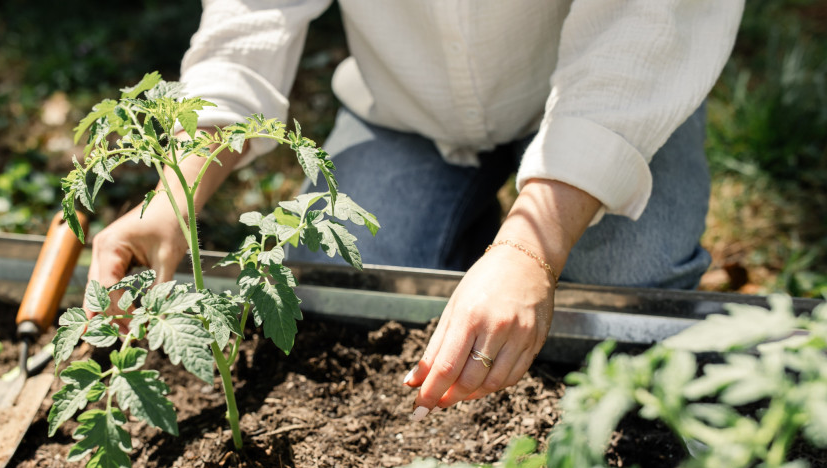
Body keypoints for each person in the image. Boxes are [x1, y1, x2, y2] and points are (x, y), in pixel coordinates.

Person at [87, 1, 745, 422]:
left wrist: (531, 250)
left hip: (610, 97)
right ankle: (479, 268)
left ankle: (507, 255)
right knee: (336, 296)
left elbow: (647, 25)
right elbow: (252, 17)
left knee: (617, 303)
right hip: (407, 109)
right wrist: (177, 191)